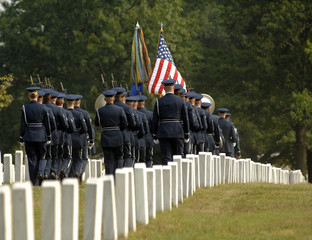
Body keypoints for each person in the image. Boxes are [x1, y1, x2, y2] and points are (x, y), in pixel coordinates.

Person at [152, 79, 190, 165]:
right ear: (173, 87)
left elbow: (155, 119)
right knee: (178, 157)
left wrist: (154, 135)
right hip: (178, 131)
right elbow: (185, 118)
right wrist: (187, 133)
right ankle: (178, 176)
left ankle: (167, 177)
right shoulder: (181, 101)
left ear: (164, 88)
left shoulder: (159, 101)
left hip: (164, 132)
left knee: (166, 157)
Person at [20, 87, 51, 186]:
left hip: (29, 136)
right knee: (42, 156)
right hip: (41, 136)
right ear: (38, 96)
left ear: (29, 96)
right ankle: (41, 173)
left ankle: (34, 182)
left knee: (32, 159)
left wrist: (21, 137)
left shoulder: (25, 108)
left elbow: (23, 124)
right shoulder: (43, 108)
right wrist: (49, 136)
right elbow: (47, 124)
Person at [94, 90, 128, 175]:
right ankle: (119, 176)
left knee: (108, 159)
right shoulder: (120, 109)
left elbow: (97, 123)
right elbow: (125, 124)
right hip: (117, 136)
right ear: (113, 98)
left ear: (105, 99)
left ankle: (109, 177)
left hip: (106, 137)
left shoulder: (99, 111)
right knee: (119, 158)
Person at [42, 89, 68, 179]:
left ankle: (45, 172)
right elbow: (64, 124)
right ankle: (53, 171)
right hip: (56, 136)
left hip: (43, 135)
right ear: (55, 99)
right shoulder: (57, 109)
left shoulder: (41, 107)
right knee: (55, 156)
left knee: (44, 156)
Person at [112, 87, 136, 167]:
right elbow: (132, 124)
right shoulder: (127, 108)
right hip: (125, 135)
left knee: (115, 157)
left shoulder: (109, 107)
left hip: (113, 135)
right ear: (122, 96)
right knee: (127, 156)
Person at [65, 94, 88, 179]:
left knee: (68, 158)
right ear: (74, 102)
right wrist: (78, 133)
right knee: (78, 158)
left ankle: (67, 174)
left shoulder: (64, 112)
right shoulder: (79, 114)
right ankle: (77, 173)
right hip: (78, 139)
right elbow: (85, 128)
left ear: (66, 102)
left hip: (67, 139)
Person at [74, 95, 95, 180]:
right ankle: (78, 173)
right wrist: (91, 139)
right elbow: (89, 128)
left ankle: (74, 174)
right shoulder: (85, 113)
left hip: (69, 139)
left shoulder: (66, 112)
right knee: (84, 158)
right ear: (80, 102)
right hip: (81, 139)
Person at [137, 95, 154, 167]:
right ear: (144, 103)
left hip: (138, 139)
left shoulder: (135, 113)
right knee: (149, 158)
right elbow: (153, 127)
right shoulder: (150, 114)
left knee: (140, 159)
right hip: (148, 139)